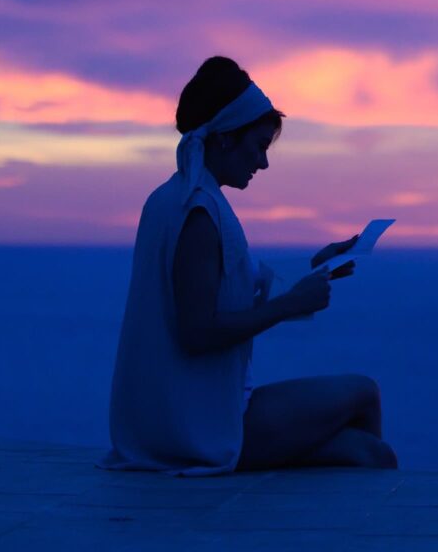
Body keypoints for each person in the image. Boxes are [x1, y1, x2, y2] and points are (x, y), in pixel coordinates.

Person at [95, 56, 398, 476]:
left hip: (169, 419)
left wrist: (318, 267)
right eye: (258, 146)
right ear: (223, 140)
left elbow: (235, 279)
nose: (263, 162)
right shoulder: (199, 212)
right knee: (365, 394)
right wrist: (289, 306)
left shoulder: (174, 198)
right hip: (197, 426)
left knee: (367, 452)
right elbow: (196, 333)